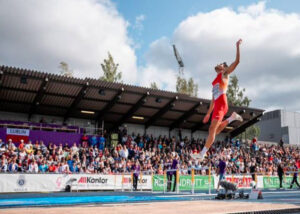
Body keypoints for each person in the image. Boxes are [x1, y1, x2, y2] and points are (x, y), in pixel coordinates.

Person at [196, 39, 244, 161]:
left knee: (212, 130)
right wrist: (208, 113)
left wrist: (237, 46)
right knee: (215, 131)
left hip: (222, 103)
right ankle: (231, 118)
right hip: (217, 104)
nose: (219, 63)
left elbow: (237, 61)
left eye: (221, 63)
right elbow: (213, 99)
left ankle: (202, 153)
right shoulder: (215, 81)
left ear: (224, 68)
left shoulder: (225, 73)